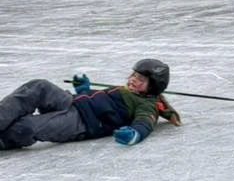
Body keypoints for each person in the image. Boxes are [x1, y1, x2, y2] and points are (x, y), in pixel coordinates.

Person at [0, 59, 180, 150]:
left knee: (27, 127)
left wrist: (134, 135)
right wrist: (84, 89)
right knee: (39, 86)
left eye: (140, 79)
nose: (133, 80)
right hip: (73, 102)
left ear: (153, 86)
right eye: (133, 75)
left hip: (83, 122)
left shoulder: (147, 105)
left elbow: (145, 123)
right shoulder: (125, 91)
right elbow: (100, 99)